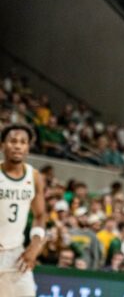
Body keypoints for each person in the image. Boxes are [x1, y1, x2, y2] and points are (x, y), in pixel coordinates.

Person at [0, 124, 46, 297]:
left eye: (23, 142)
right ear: (2, 145)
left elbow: (40, 215)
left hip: (16, 255)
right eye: (12, 141)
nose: (18, 145)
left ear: (28, 147)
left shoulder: (34, 176)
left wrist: (35, 244)